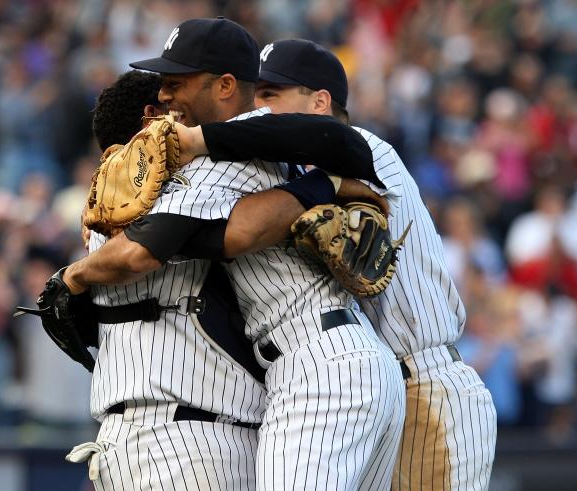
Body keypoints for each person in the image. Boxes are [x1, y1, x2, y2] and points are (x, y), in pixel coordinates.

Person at [65, 18, 405, 490]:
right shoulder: (262, 140)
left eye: (175, 82)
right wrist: (323, 184)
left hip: (315, 366)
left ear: (225, 85)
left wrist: (74, 277)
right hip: (350, 358)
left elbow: (171, 244)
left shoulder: (228, 150)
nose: (166, 97)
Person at [183, 39, 499, 490]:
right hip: (377, 390)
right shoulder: (298, 177)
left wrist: (197, 140)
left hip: (427, 385)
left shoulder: (365, 149)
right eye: (256, 96)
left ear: (320, 101)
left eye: (271, 94)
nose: (257, 107)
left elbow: (305, 138)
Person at [66, 68, 267, 490]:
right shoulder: (193, 185)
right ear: (150, 117)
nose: (181, 114)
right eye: (171, 102)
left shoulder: (98, 217)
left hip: (117, 444)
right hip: (196, 442)